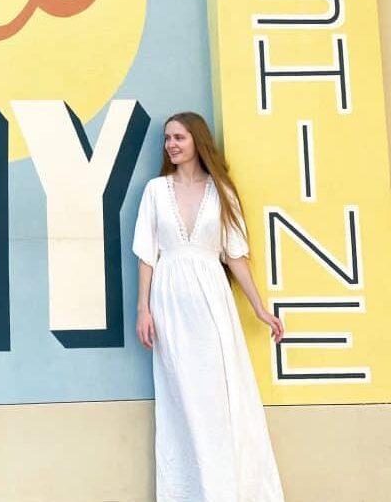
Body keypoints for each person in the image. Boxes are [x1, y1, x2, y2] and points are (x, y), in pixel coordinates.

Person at [133, 111, 286, 502]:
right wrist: (143, 309)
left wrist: (259, 308)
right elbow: (146, 255)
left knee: (220, 395)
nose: (171, 144)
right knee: (181, 397)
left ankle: (228, 490)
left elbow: (236, 255)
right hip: (169, 301)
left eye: (179, 137)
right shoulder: (155, 190)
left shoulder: (222, 192)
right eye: (167, 138)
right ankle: (191, 492)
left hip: (212, 300)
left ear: (197, 141)